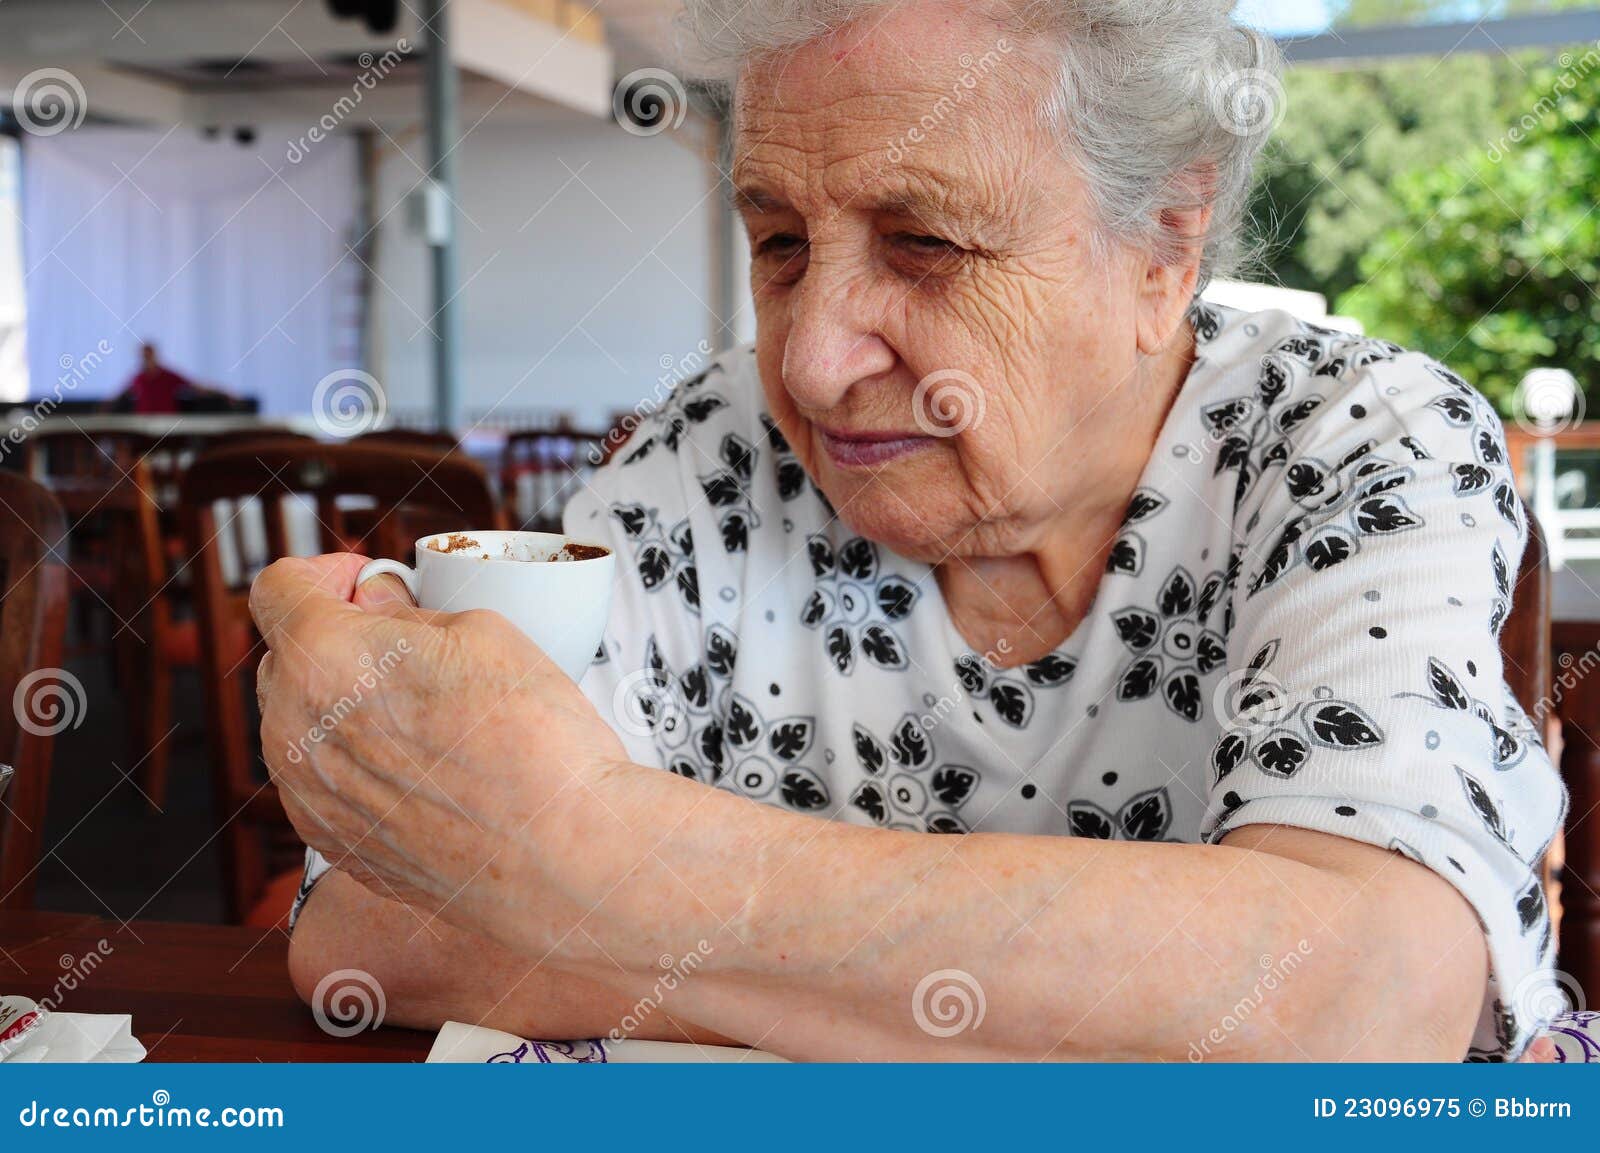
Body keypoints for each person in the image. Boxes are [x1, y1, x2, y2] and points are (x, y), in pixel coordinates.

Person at [252, 0, 1565, 1061]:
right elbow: (372, 931)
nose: (815, 361)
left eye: (923, 241)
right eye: (777, 242)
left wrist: (593, 854)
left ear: (1162, 250)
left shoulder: (1351, 443)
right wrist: (1059, 999)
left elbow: (1367, 1003)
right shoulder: (711, 449)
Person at [108, 343, 225, 414]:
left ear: (154, 355)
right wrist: (105, 406)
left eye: (149, 356)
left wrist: (223, 393)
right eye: (144, 356)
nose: (146, 359)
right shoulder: (138, 377)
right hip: (142, 425)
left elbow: (196, 387)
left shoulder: (169, 375)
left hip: (167, 424)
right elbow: (122, 392)